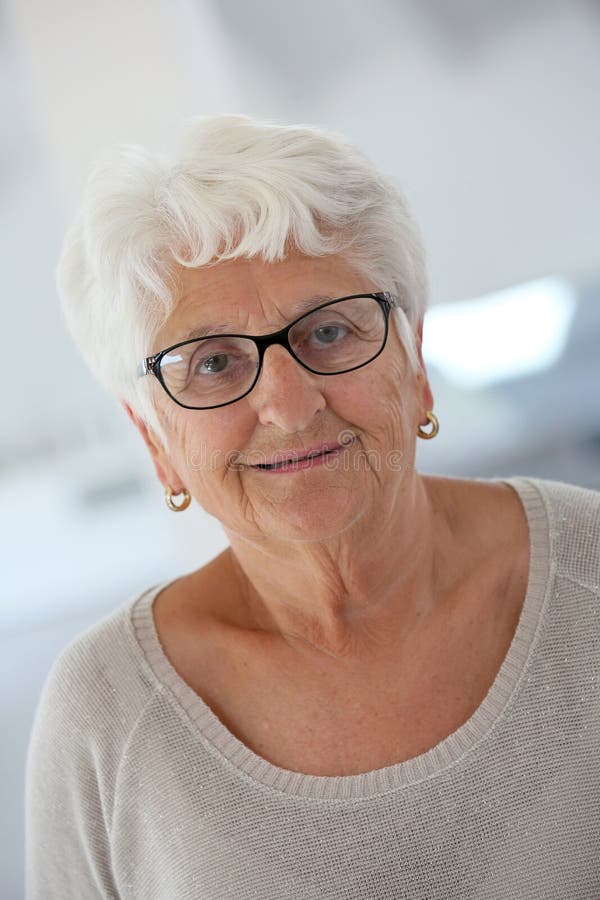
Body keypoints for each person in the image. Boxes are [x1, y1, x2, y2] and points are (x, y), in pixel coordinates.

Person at [25, 114, 600, 899]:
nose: (289, 406)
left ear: (415, 362)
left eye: (328, 330)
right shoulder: (106, 712)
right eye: (215, 361)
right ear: (155, 438)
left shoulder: (590, 571)